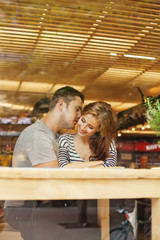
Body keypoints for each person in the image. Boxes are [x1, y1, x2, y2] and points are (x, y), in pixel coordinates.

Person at [4, 86, 85, 240]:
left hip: (41, 207)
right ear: (61, 105)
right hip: (23, 210)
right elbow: (53, 180)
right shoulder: (38, 135)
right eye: (77, 109)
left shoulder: (54, 136)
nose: (80, 116)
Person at [58, 101, 117, 168]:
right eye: (83, 120)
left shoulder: (108, 142)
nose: (83, 128)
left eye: (90, 127)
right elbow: (63, 166)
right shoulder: (65, 140)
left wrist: (73, 167)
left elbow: (110, 166)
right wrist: (98, 163)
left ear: (98, 130)